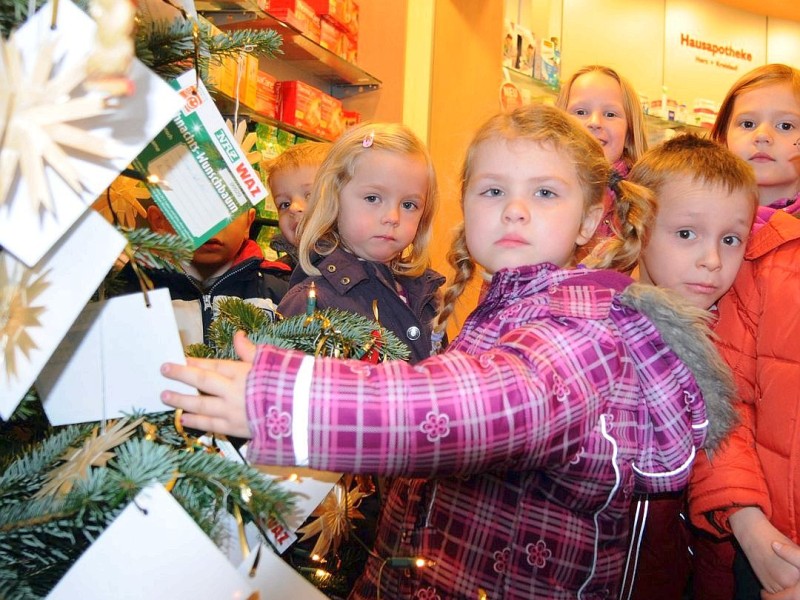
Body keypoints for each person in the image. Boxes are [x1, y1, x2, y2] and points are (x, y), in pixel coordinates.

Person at [160, 104, 736, 599]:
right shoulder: (497, 312)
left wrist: (292, 399)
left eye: (544, 192)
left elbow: (486, 408)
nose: (514, 209)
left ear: (589, 219)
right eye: (493, 190)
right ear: (465, 207)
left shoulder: (585, 330)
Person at [587, 134, 759, 600]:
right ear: (635, 226)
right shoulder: (600, 333)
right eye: (686, 234)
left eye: (730, 239)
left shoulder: (723, 332)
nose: (711, 261)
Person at [687, 63, 800, 599]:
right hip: (747, 535)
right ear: (721, 139)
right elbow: (720, 403)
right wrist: (749, 525)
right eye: (748, 122)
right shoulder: (704, 251)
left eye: (786, 125)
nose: (764, 136)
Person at [277, 122, 445, 364]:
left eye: (409, 205)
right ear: (334, 199)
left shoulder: (427, 295)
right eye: (373, 198)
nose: (392, 217)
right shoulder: (312, 301)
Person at [119, 205, 290, 347]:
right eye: (194, 208)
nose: (211, 225)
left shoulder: (282, 289)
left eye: (227, 210)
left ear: (248, 223)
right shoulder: (127, 289)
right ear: (159, 221)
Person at [556, 65, 649, 258]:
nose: (595, 122)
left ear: (630, 133)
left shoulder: (645, 202)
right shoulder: (537, 189)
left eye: (610, 114)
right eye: (581, 112)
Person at [262, 141, 331, 276]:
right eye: (284, 204)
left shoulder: (367, 265)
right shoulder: (279, 275)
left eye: (310, 195)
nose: (293, 208)